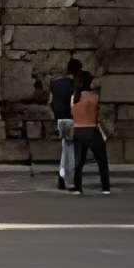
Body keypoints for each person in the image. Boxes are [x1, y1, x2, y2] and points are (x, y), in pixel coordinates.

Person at [71, 67, 110, 194]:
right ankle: (105, 187)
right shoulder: (94, 97)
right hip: (91, 129)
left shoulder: (73, 98)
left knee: (79, 162)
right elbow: (99, 114)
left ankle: (77, 187)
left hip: (77, 130)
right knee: (102, 160)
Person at [51, 56, 82, 190]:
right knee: (70, 151)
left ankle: (62, 177)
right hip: (70, 119)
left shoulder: (56, 83)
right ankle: (68, 181)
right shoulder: (75, 85)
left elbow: (51, 102)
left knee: (65, 148)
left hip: (59, 119)